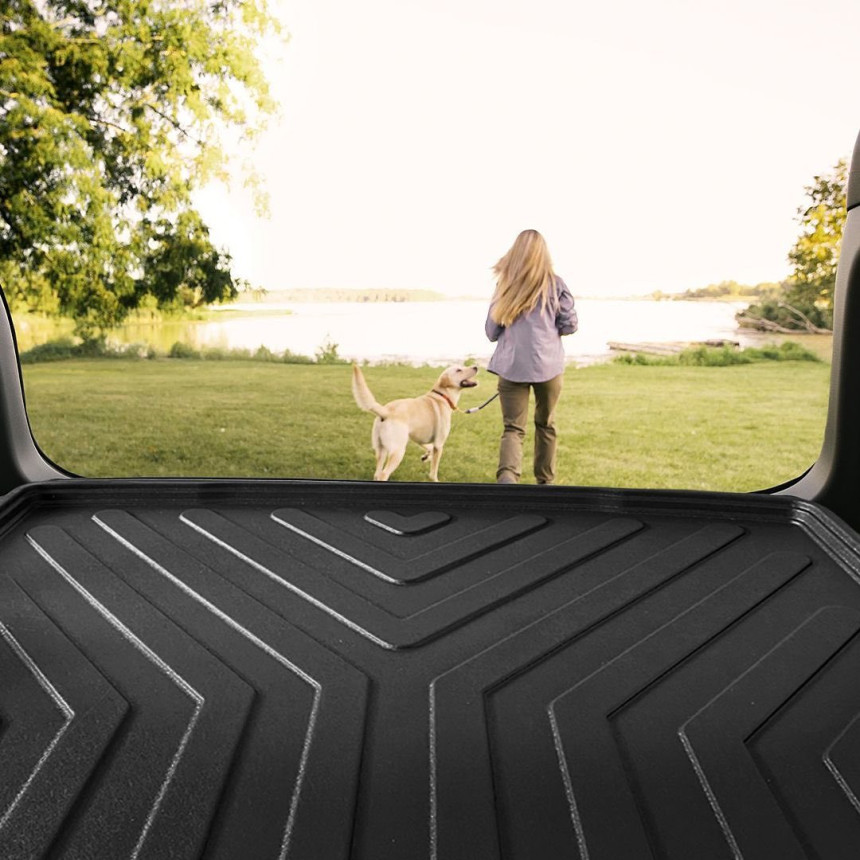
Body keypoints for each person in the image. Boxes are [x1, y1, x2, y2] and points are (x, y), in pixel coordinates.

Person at [485, 229, 578, 484]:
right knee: (546, 424)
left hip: (511, 366)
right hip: (548, 366)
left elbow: (491, 332)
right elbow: (570, 325)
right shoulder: (556, 284)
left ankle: (507, 479)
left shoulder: (505, 285)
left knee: (513, 428)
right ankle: (545, 483)